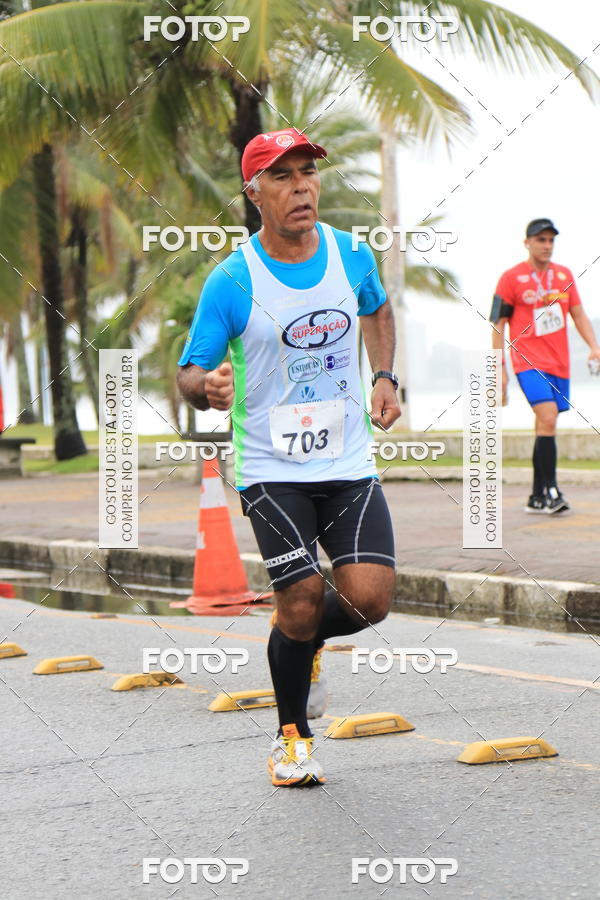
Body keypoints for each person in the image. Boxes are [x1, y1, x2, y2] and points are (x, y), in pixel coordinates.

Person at [177, 128, 400, 786]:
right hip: (271, 469)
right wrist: (207, 388)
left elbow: (378, 310)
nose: (301, 186)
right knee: (300, 598)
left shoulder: (351, 254)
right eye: (282, 176)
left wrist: (384, 377)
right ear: (254, 194)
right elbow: (190, 371)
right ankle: (292, 739)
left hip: (348, 463)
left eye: (308, 172)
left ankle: (305, 641)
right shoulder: (233, 280)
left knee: (370, 601)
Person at [491, 218, 600, 514]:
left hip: (559, 363)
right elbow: (498, 324)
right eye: (541, 240)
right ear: (527, 243)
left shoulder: (564, 275)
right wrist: (499, 368)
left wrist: (594, 346)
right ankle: (552, 492)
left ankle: (536, 496)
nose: (547, 245)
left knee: (545, 424)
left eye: (551, 240)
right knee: (548, 417)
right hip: (527, 362)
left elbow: (578, 314)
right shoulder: (510, 278)